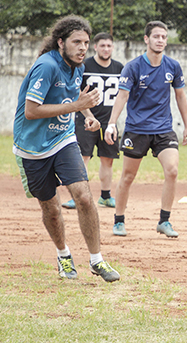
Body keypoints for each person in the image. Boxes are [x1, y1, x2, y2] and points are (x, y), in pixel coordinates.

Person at [12, 15, 120, 282]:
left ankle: (97, 260)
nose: (83, 48)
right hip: (33, 149)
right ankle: (63, 256)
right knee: (51, 208)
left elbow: (73, 97)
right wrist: (75, 107)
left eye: (86, 42)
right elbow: (31, 110)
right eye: (76, 42)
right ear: (61, 42)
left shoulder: (78, 67)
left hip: (63, 140)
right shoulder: (46, 66)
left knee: (83, 196)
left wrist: (88, 114)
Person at [104, 21, 187, 238]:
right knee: (128, 176)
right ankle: (119, 221)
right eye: (156, 36)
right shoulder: (133, 67)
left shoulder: (173, 66)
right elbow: (122, 96)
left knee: (172, 170)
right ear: (146, 39)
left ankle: (164, 220)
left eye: (164, 37)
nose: (160, 40)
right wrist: (112, 123)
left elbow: (180, 96)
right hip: (137, 129)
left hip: (163, 129)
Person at [62, 32, 124, 210]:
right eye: (102, 45)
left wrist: (113, 121)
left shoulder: (119, 68)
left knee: (108, 159)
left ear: (113, 47)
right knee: (83, 157)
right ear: (95, 47)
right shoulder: (84, 65)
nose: (106, 49)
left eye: (109, 46)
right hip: (86, 119)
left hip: (109, 121)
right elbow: (76, 94)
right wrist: (89, 116)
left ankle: (105, 196)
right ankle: (78, 196)